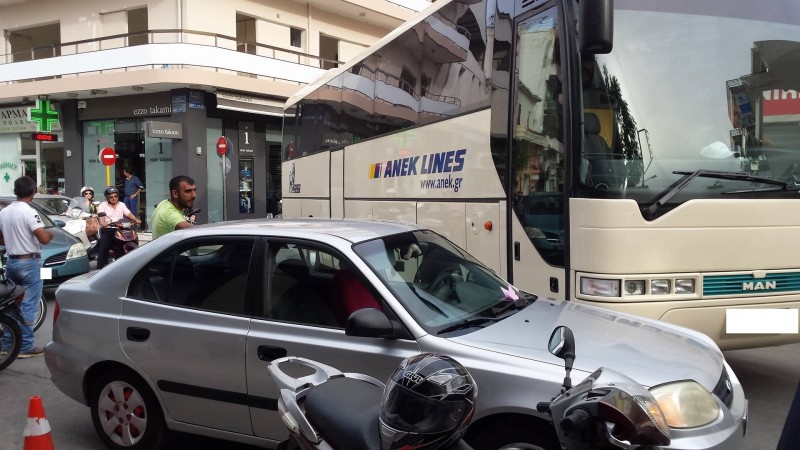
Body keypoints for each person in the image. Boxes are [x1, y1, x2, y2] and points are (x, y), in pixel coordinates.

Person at [0, 176, 53, 358]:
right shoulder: (29, 212)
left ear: (15, 192)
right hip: (29, 263)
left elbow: (1, 239)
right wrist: (50, 235)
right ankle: (26, 346)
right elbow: (43, 238)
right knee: (28, 305)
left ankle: (9, 344)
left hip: (12, 262)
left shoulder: (4, 212)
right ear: (33, 192)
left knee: (10, 305)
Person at [96, 186, 141, 269]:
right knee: (104, 248)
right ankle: (99, 268)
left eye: (115, 196)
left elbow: (128, 214)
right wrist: (103, 222)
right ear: (107, 198)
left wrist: (136, 219)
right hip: (109, 228)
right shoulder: (102, 205)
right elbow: (101, 217)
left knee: (133, 236)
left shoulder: (122, 204)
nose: (114, 198)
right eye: (111, 197)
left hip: (121, 227)